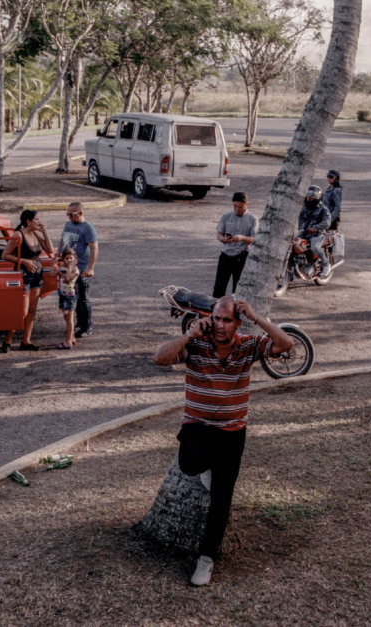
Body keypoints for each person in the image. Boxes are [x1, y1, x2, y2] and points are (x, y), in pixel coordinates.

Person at [153, 296, 294, 587]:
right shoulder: (197, 344)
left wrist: (256, 317)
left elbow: (286, 344)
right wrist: (189, 334)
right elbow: (160, 358)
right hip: (197, 428)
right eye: (216, 318)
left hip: (232, 432)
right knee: (189, 465)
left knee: (222, 500)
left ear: (237, 323)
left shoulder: (248, 345)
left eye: (227, 320)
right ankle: (208, 466)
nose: (220, 325)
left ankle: (206, 559)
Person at [2, 209, 54, 351]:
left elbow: (49, 249)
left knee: (32, 309)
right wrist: (24, 261)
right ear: (28, 221)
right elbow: (5, 255)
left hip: (37, 274)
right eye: (36, 219)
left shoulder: (36, 234)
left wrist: (45, 232)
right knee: (22, 311)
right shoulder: (18, 235)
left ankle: (26, 340)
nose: (39, 221)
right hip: (24, 275)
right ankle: (7, 341)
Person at [60, 202, 98, 338]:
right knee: (72, 297)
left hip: (81, 269)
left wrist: (91, 268)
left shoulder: (88, 228)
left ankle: (86, 326)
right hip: (67, 269)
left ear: (80, 213)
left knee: (83, 298)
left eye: (71, 215)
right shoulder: (68, 224)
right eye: (67, 214)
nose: (69, 217)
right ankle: (78, 324)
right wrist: (58, 254)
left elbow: (94, 248)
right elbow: (63, 240)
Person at [213, 191, 258, 297]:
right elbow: (219, 234)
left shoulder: (252, 219)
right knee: (219, 287)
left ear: (247, 205)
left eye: (240, 207)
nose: (237, 209)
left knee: (238, 288)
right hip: (226, 255)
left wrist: (242, 238)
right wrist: (223, 239)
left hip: (241, 255)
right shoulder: (226, 216)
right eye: (235, 206)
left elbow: (254, 239)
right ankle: (216, 306)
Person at [297, 185, 332, 277]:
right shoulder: (304, 207)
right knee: (292, 243)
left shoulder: (323, 209)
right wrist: (301, 229)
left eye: (312, 196)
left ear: (317, 197)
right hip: (304, 233)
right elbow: (300, 219)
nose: (309, 197)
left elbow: (327, 222)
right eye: (308, 195)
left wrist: (315, 228)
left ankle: (326, 264)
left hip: (317, 234)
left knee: (315, 247)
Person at [51, 248, 80, 349]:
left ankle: (68, 341)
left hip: (70, 296)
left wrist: (70, 266)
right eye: (66, 258)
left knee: (70, 318)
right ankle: (72, 337)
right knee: (66, 317)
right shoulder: (62, 267)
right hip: (62, 294)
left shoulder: (75, 270)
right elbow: (51, 274)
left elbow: (68, 278)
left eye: (71, 258)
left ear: (75, 259)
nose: (69, 260)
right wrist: (55, 263)